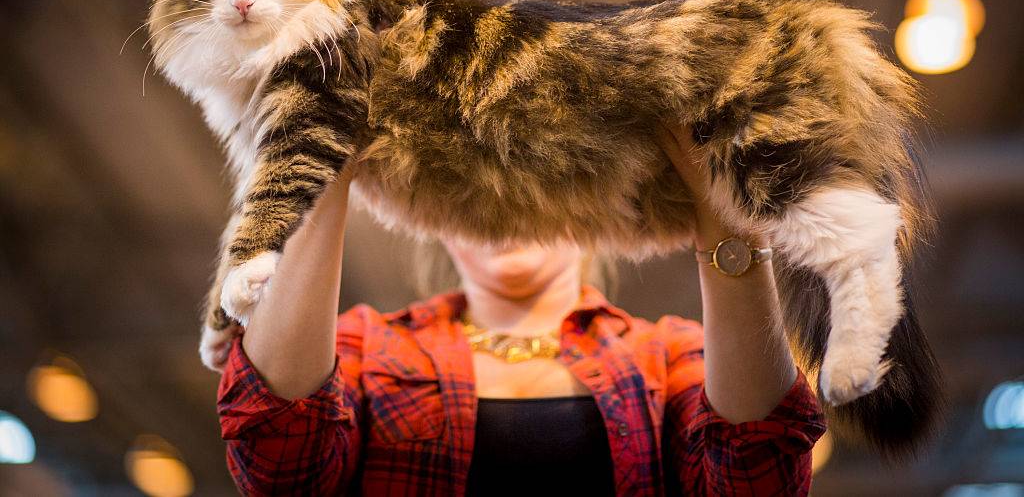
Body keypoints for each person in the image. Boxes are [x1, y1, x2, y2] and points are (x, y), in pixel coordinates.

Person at [216, 123, 827, 495]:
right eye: (469, 186)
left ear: (593, 200)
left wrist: (724, 212)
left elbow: (759, 480)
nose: (506, 207)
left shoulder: (668, 357)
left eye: (540, 180)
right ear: (428, 212)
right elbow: (279, 463)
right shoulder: (366, 348)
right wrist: (322, 161)